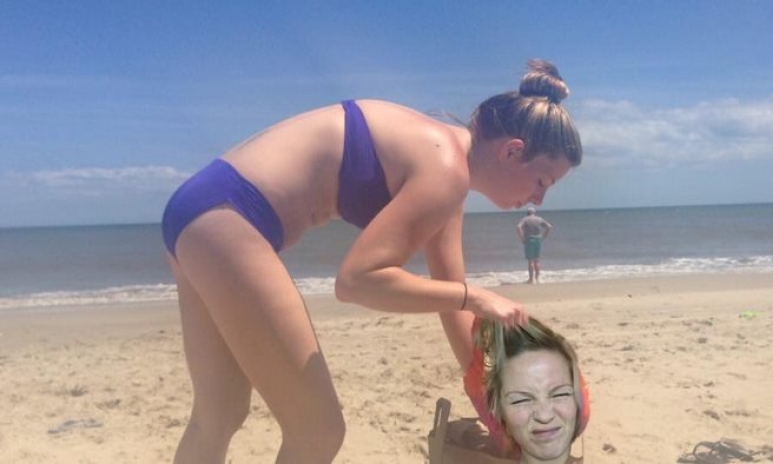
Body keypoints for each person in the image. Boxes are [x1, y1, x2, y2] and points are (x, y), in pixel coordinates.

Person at [161, 58, 582, 463]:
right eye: (542, 180)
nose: (539, 199)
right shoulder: (445, 169)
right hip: (230, 216)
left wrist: (492, 399)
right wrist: (477, 298)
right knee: (318, 430)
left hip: (197, 209)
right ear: (511, 152)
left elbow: (449, 304)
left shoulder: (448, 169)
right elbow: (357, 281)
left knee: (219, 414)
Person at [472, 317, 590, 464]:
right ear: (499, 412)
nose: (544, 416)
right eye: (522, 400)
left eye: (560, 394)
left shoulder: (582, 417)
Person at [516, 207, 553, 284]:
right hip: (538, 240)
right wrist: (544, 236)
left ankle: (531, 279)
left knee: (531, 261)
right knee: (537, 260)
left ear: (527, 212)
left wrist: (522, 238)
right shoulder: (539, 219)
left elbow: (518, 226)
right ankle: (537, 279)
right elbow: (549, 227)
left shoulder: (526, 219)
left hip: (529, 240)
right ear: (534, 212)